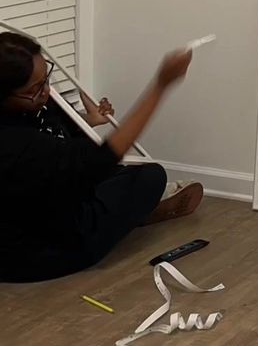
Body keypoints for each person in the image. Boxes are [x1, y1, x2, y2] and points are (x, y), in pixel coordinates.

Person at [0, 31, 204, 283]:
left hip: (48, 201)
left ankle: (135, 211)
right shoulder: (14, 143)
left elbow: (65, 144)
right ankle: (138, 213)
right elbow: (98, 159)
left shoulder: (34, 106)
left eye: (46, 78)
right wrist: (161, 85)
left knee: (127, 173)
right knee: (150, 176)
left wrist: (89, 120)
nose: (47, 90)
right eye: (36, 87)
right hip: (43, 252)